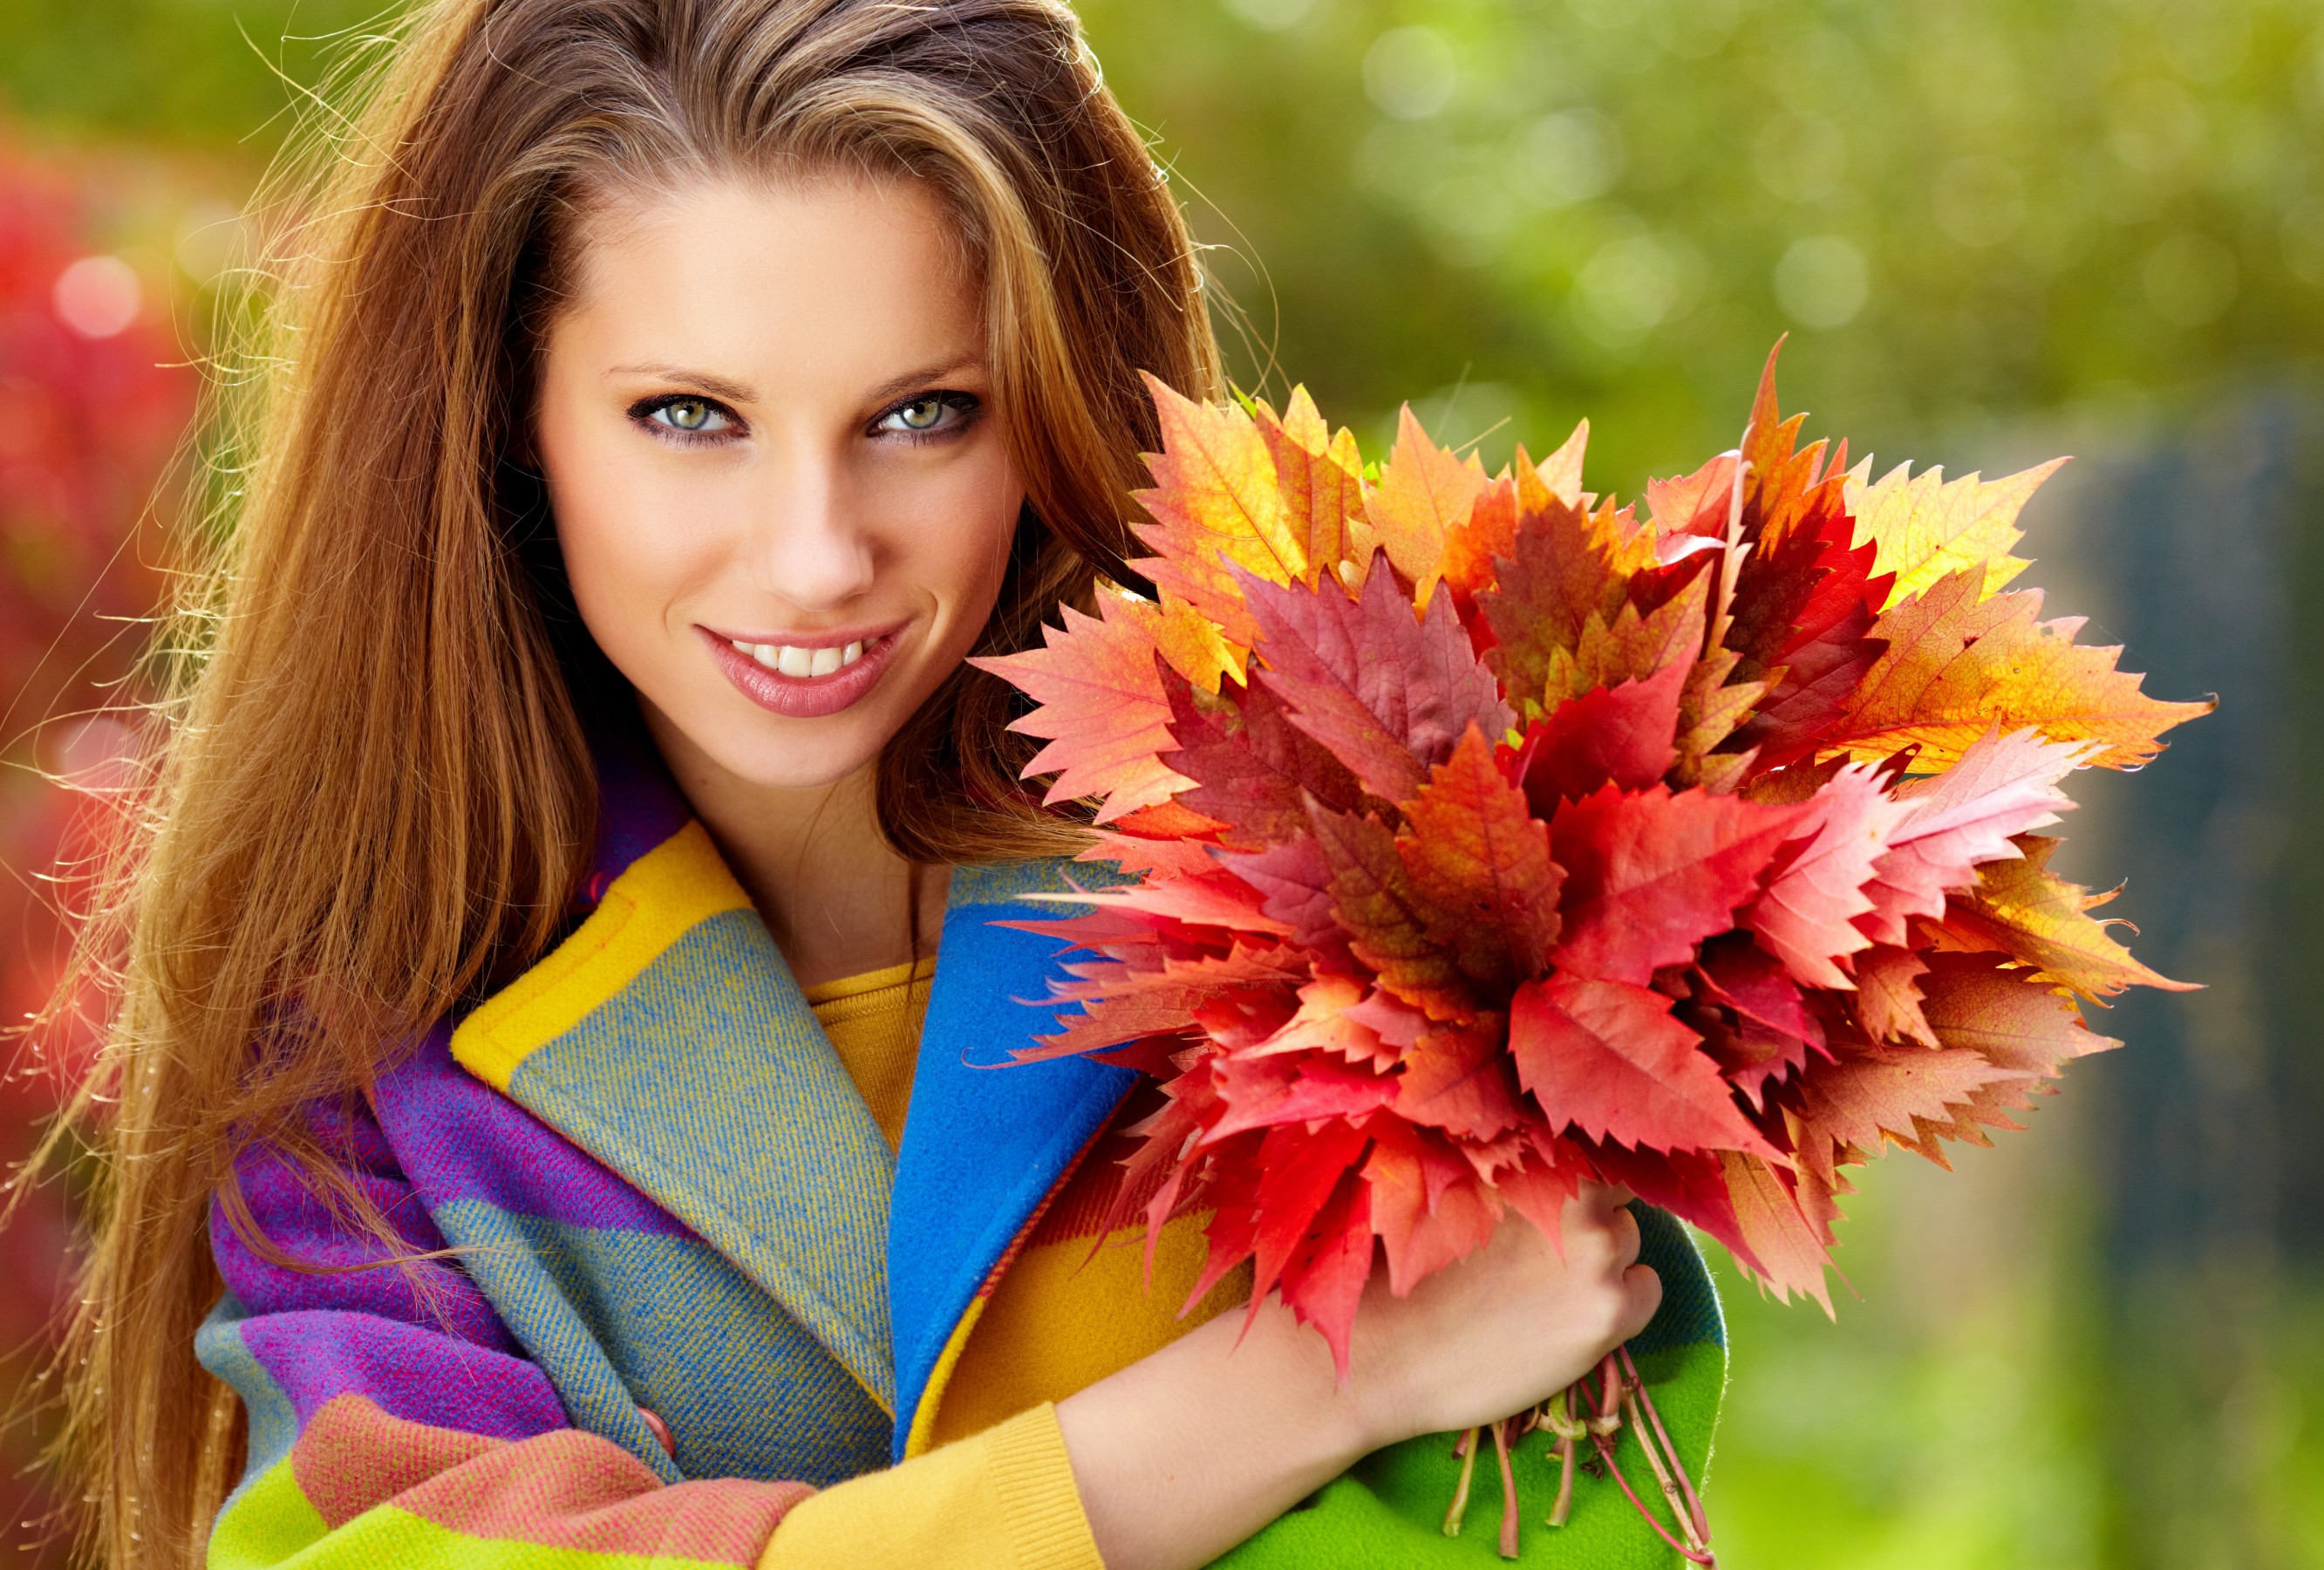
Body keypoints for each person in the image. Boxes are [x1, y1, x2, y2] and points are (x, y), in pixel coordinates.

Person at [58, 3, 1724, 1567]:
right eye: (690, 415)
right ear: (507, 414)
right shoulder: (357, 1043)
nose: (813, 558)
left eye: (924, 412)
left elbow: (1543, 1501)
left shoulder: (1358, 884)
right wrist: (1304, 1393)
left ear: (1061, 403)